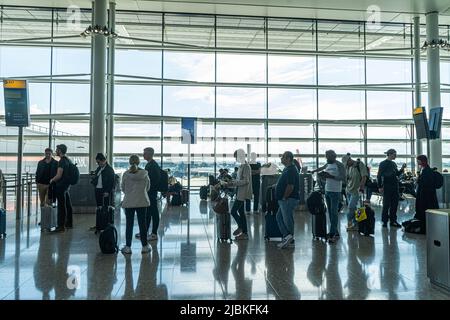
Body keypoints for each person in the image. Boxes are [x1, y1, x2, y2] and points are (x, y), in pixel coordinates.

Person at [311, 150, 346, 242]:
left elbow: (343, 177)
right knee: (330, 213)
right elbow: (322, 168)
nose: (327, 158)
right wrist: (314, 171)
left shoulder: (339, 165)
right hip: (327, 190)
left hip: (335, 191)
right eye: (326, 157)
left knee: (334, 212)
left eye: (328, 157)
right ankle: (335, 231)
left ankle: (332, 233)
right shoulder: (328, 164)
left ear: (333, 156)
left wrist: (331, 177)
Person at [121, 155, 151, 255]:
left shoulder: (125, 174)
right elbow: (147, 188)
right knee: (142, 224)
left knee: (129, 225)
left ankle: (128, 247)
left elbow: (123, 188)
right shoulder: (145, 174)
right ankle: (145, 246)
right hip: (142, 201)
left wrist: (130, 194)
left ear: (129, 162)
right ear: (138, 162)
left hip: (129, 202)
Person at [224, 149, 252, 240]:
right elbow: (239, 179)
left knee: (233, 211)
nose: (236, 159)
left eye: (236, 156)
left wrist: (234, 183)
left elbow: (246, 181)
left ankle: (241, 228)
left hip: (242, 193)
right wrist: (232, 182)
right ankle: (245, 233)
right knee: (241, 213)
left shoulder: (246, 167)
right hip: (239, 192)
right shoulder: (241, 166)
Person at [275, 151, 300, 249]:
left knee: (287, 219)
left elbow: (290, 186)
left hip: (288, 199)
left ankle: (290, 240)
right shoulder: (287, 169)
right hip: (285, 199)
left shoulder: (291, 170)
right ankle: (288, 237)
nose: (281, 159)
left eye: (283, 157)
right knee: (279, 217)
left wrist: (285, 197)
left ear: (288, 158)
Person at [377, 149, 405, 228]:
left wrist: (402, 169)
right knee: (386, 204)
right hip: (387, 185)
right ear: (390, 154)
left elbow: (397, 174)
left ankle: (393, 221)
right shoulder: (383, 164)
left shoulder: (393, 164)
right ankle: (385, 221)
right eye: (394, 154)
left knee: (394, 204)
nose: (396, 156)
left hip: (395, 186)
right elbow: (379, 175)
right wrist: (379, 186)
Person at [137, 147, 161, 242]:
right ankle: (145, 232)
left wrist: (149, 187)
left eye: (145, 153)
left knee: (153, 213)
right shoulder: (150, 164)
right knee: (148, 213)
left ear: (150, 154)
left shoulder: (153, 165)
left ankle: (154, 233)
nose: (143, 155)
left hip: (151, 192)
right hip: (149, 192)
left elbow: (154, 179)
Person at [49, 144, 73, 233]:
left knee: (61, 206)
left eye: (57, 149)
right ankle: (69, 223)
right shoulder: (68, 160)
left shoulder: (62, 161)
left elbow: (59, 175)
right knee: (67, 205)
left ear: (60, 150)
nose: (56, 151)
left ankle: (61, 226)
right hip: (67, 186)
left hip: (61, 186)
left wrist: (52, 180)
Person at [341, 154, 368, 232]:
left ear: (350, 159)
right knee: (354, 209)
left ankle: (350, 222)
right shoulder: (348, 167)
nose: (347, 165)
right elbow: (347, 178)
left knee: (351, 207)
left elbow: (364, 177)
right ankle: (355, 224)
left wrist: (361, 187)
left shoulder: (360, 164)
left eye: (347, 163)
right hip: (348, 190)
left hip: (356, 191)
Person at [413, 155, 438, 227]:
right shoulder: (423, 168)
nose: (417, 162)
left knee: (424, 206)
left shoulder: (426, 170)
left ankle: (424, 220)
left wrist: (418, 180)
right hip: (424, 192)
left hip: (426, 193)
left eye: (418, 160)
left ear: (422, 161)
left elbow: (426, 182)